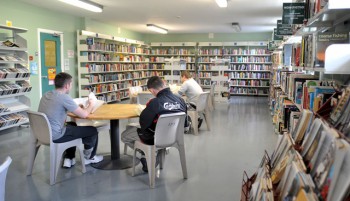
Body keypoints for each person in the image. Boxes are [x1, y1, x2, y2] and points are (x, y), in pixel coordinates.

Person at [121, 76, 187, 172]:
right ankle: (154, 153)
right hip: (175, 137)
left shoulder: (155, 103)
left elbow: (143, 124)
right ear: (164, 84)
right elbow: (185, 125)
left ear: (152, 90)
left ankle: (148, 154)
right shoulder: (181, 100)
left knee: (124, 136)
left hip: (155, 138)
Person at [38, 72, 103, 168]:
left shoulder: (46, 95)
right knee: (92, 130)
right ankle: (89, 158)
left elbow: (58, 108)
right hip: (56, 135)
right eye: (71, 84)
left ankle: (69, 158)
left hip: (42, 134)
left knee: (72, 125)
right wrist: (91, 104)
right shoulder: (64, 97)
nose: (71, 86)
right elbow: (84, 114)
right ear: (67, 85)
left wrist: (78, 107)